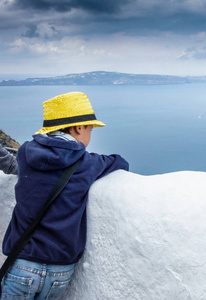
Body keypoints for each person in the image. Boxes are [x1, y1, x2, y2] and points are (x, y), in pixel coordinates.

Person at [1, 92, 129, 300]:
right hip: (60, 270)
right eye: (90, 128)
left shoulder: (25, 153)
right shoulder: (89, 164)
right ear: (79, 127)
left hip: (22, 263)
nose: (90, 133)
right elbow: (120, 162)